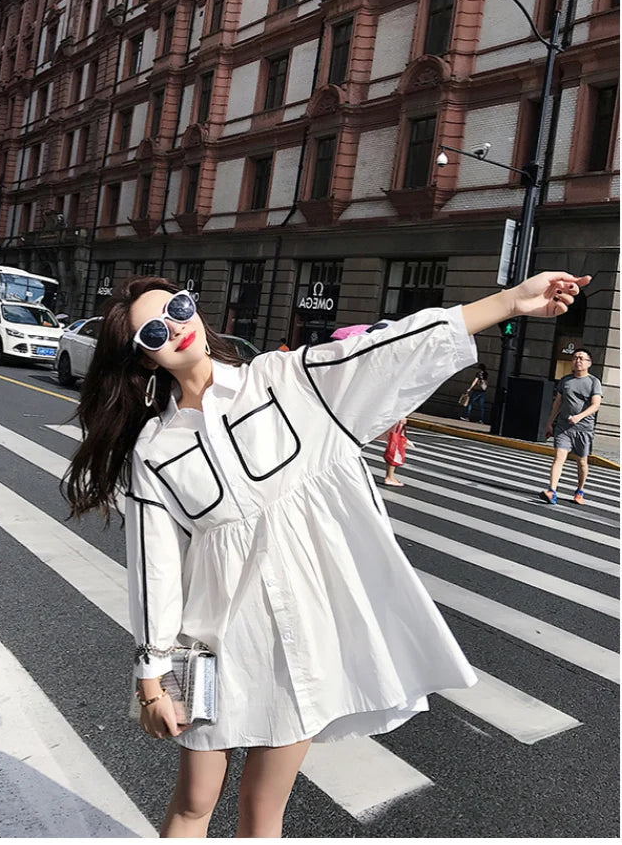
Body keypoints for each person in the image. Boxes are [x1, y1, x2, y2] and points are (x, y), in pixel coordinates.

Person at [63, 270, 589, 839]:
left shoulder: (286, 380)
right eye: (154, 334)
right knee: (194, 800)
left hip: (300, 641)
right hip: (213, 644)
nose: (176, 329)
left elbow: (390, 349)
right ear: (144, 359)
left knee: (262, 809)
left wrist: (511, 300)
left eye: (181, 308)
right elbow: (155, 570)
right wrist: (151, 680)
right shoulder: (155, 449)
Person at [541, 348, 603, 506]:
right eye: (575, 358)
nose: (578, 361)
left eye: (582, 358)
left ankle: (579, 490)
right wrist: (549, 422)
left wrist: (579, 417)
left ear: (589, 363)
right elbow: (558, 402)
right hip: (563, 427)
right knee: (559, 457)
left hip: (584, 428)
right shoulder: (565, 380)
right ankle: (552, 491)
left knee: (582, 461)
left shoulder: (593, 382)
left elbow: (595, 405)